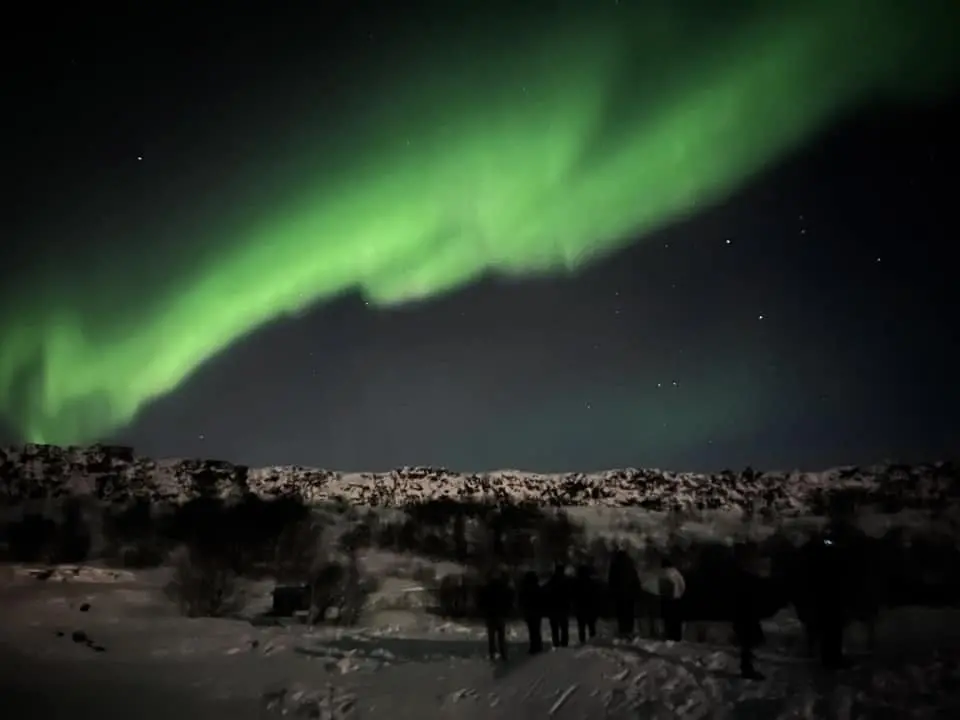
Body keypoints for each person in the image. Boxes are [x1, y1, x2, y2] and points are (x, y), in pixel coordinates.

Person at [732, 544, 766, 679]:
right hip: (746, 614)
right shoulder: (745, 575)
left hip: (745, 613)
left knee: (748, 642)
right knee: (748, 641)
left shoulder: (740, 574)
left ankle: (747, 665)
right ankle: (747, 668)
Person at [478, 567, 513, 662]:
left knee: (491, 636)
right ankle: (503, 653)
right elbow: (509, 599)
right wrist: (508, 610)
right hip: (500, 613)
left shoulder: (486, 588)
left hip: (490, 614)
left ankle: (492, 653)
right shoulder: (503, 587)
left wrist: (483, 611)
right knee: (501, 635)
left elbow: (481, 601)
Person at [608, 548, 639, 636]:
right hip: (630, 593)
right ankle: (629, 630)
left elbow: (611, 580)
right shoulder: (630, 563)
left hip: (619, 593)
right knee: (630, 613)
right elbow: (635, 578)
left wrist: (611, 593)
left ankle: (623, 630)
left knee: (621, 613)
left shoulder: (614, 564)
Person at [658, 556, 686, 641]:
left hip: (667, 599)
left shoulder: (663, 573)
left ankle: (669, 636)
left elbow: (661, 587)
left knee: (668, 619)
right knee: (676, 620)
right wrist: (679, 594)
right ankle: (677, 636)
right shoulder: (677, 573)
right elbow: (683, 585)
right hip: (677, 599)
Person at [544, 563, 571, 648]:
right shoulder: (566, 581)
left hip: (553, 607)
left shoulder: (552, 580)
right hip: (563, 607)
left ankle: (556, 642)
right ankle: (564, 643)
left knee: (555, 627)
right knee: (564, 626)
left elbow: (546, 591)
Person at [518, 570, 544, 654]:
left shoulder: (524, 588)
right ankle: (538, 645)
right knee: (537, 629)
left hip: (529, 611)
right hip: (537, 611)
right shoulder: (537, 587)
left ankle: (533, 646)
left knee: (532, 630)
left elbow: (521, 599)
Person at [573, 564, 599, 644]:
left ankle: (583, 641)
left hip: (580, 607)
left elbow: (574, 595)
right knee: (592, 626)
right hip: (591, 607)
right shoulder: (591, 582)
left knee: (581, 627)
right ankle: (593, 642)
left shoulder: (576, 583)